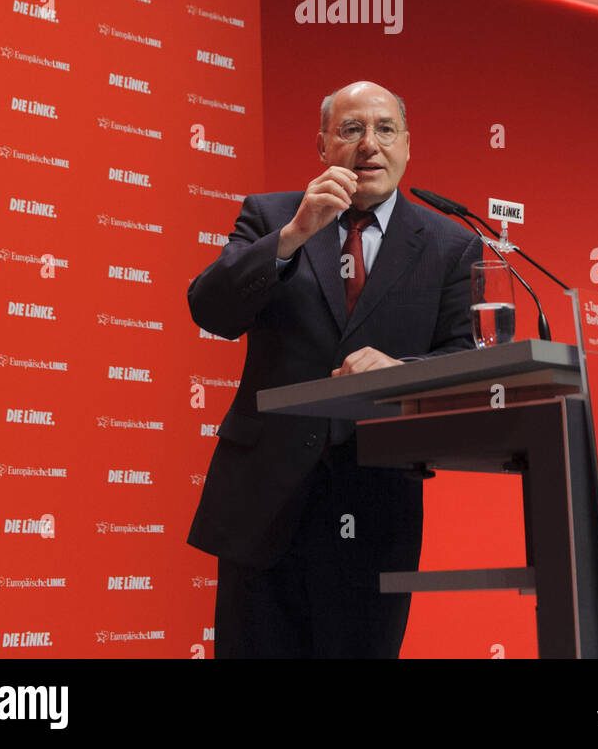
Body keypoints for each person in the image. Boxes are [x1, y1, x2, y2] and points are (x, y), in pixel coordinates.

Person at [186, 80, 481, 658]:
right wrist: (294, 234)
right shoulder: (272, 215)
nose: (369, 145)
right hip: (264, 501)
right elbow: (210, 310)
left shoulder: (449, 244)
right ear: (323, 146)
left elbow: (464, 358)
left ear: (407, 146)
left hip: (376, 502)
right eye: (351, 130)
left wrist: (400, 369)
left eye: (384, 130)